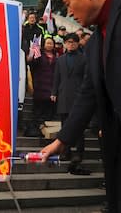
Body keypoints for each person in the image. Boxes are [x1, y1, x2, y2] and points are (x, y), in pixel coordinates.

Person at [41, 0, 121, 212]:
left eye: (69, 3)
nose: (69, 13)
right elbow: (87, 94)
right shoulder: (93, 45)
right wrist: (62, 140)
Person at [50, 33, 90, 175]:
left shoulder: (84, 58)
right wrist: (54, 92)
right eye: (68, 42)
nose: (70, 44)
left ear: (78, 43)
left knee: (78, 126)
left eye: (73, 42)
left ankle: (79, 152)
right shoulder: (60, 59)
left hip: (79, 96)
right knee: (64, 124)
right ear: (65, 43)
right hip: (64, 95)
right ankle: (65, 151)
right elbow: (57, 77)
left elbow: (87, 78)